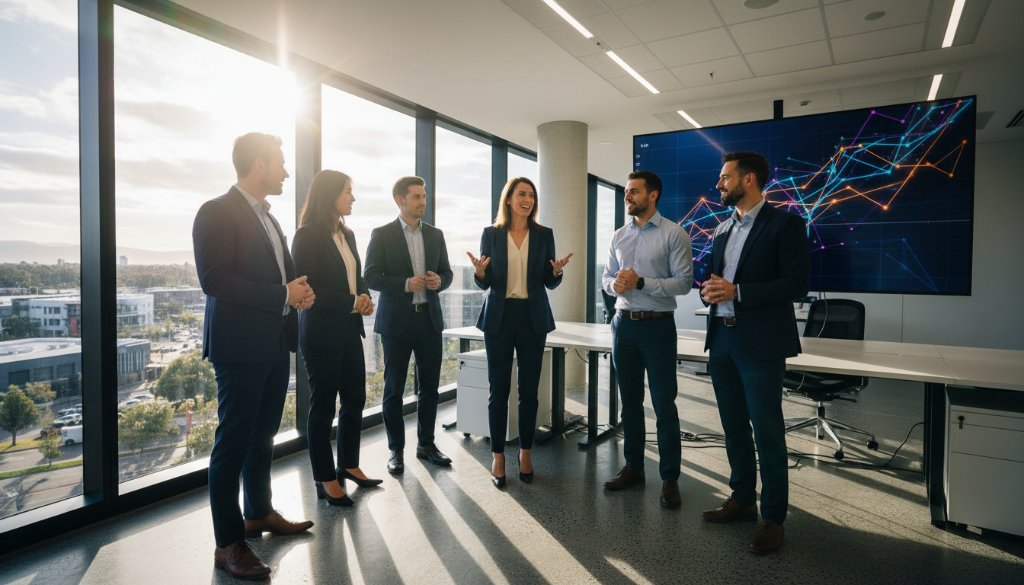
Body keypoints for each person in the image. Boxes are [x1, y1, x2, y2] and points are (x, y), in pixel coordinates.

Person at [192, 132, 315, 580]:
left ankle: (258, 512)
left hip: (272, 341)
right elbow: (216, 280)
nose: (285, 171)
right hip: (239, 346)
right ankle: (227, 544)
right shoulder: (216, 211)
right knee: (232, 444)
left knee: (262, 435)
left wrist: (297, 292)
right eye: (280, 163)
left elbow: (280, 275)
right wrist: (282, 292)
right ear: (258, 164)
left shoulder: (270, 218)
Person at [700, 151, 810, 555]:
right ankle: (743, 499)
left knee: (767, 432)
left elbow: (797, 283)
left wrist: (738, 292)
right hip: (723, 339)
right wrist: (709, 290)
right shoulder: (721, 230)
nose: (719, 185)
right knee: (733, 427)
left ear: (748, 180)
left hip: (761, 344)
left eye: (725, 178)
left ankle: (774, 518)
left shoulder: (785, 224)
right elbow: (715, 281)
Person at [467, 177, 572, 488]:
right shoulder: (491, 234)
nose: (528, 199)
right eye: (522, 194)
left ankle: (525, 452)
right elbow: (485, 283)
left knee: (528, 391)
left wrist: (556, 273)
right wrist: (480, 272)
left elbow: (548, 281)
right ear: (509, 199)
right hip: (499, 317)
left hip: (532, 316)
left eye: (531, 195)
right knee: (497, 391)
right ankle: (498, 454)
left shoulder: (543, 235)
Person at [601, 170, 692, 510]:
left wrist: (642, 283)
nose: (628, 197)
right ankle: (634, 468)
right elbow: (606, 279)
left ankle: (670, 478)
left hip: (658, 328)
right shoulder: (618, 236)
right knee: (630, 402)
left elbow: (683, 284)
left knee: (664, 405)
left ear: (653, 195)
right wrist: (616, 286)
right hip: (623, 326)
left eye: (634, 192)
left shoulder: (674, 234)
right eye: (626, 191)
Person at [292, 170, 381, 508]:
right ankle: (325, 477)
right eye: (347, 192)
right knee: (323, 406)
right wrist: (350, 302)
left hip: (348, 329)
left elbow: (355, 276)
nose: (352, 198)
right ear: (328, 195)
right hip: (320, 332)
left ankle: (348, 464)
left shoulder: (348, 234)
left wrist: (364, 296)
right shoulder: (306, 236)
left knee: (355, 397)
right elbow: (307, 287)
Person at [364, 176, 454, 475]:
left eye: (424, 196)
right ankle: (395, 451)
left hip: (429, 320)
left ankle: (426, 445)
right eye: (416, 196)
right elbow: (371, 276)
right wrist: (405, 284)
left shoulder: (436, 234)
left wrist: (439, 281)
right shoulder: (382, 234)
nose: (422, 201)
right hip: (396, 323)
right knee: (393, 390)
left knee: (429, 388)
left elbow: (447, 272)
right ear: (400, 200)